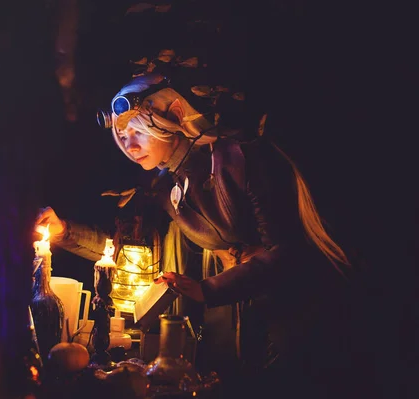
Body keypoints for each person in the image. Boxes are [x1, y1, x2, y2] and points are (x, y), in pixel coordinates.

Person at [36, 73, 373, 399]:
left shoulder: (240, 158)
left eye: (137, 131)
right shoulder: (168, 186)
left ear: (171, 119)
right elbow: (129, 248)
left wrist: (207, 288)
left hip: (294, 325)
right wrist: (64, 231)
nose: (128, 143)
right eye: (122, 136)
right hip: (233, 333)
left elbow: (286, 253)